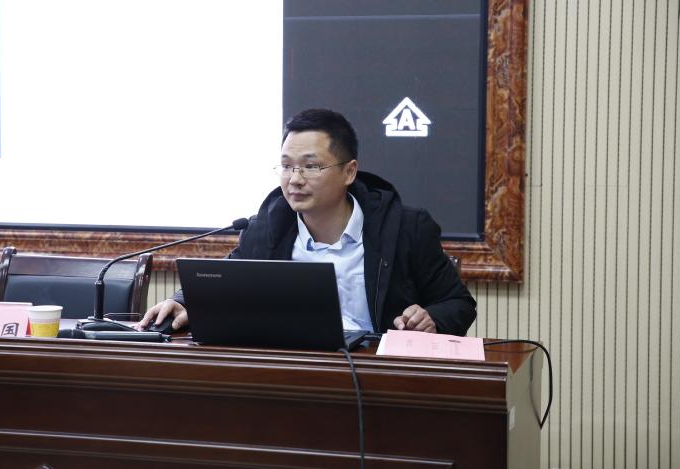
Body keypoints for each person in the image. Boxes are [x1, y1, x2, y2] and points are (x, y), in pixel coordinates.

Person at [139, 109, 476, 335]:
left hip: (379, 376)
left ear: (349, 172)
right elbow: (225, 281)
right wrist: (182, 301)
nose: (295, 179)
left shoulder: (405, 227)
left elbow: (458, 304)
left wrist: (432, 318)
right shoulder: (267, 228)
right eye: (286, 166)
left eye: (311, 166)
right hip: (292, 374)